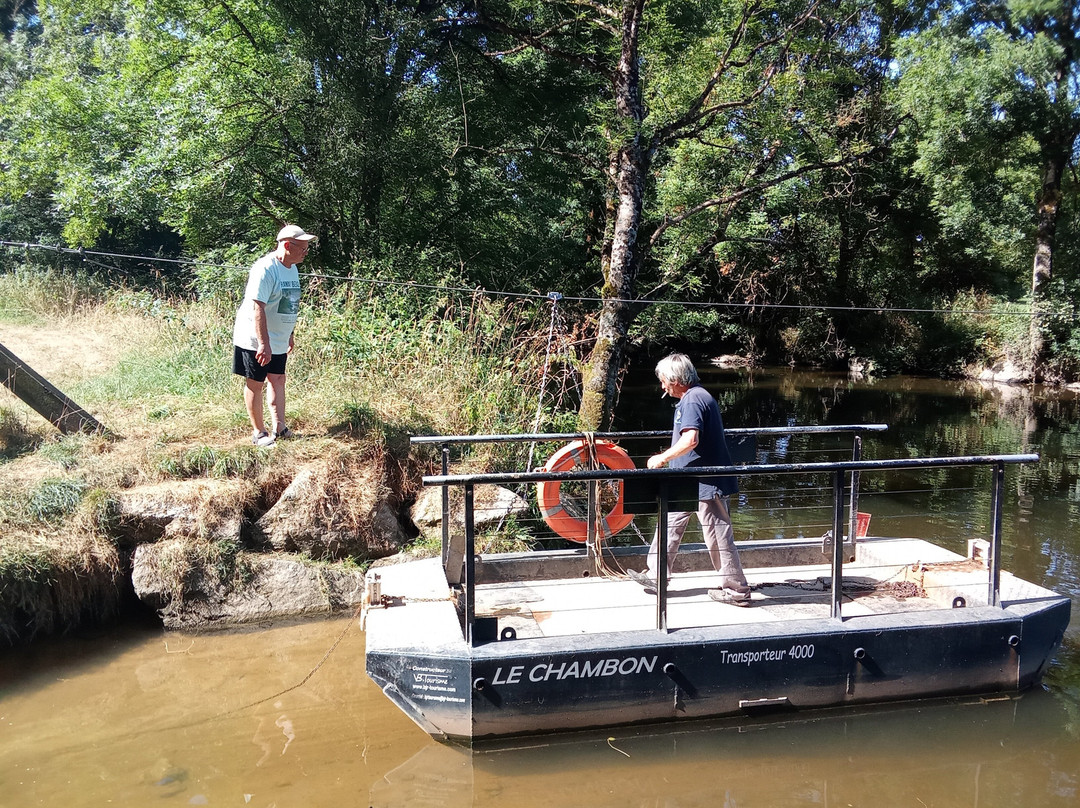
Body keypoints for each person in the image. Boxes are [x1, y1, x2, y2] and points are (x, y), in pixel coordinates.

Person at [628, 353, 752, 606]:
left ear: (676, 379)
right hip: (685, 480)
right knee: (669, 526)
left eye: (664, 380)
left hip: (706, 482)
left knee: (718, 536)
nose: (662, 386)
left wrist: (662, 458)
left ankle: (736, 591)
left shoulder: (694, 400)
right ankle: (656, 575)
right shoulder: (693, 398)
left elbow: (691, 439)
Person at [232, 224, 316, 446]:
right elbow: (257, 306)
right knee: (256, 382)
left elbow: (289, 303)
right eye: (303, 248)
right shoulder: (265, 269)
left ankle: (280, 427)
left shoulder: (292, 267)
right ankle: (259, 433)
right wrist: (263, 343)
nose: (306, 252)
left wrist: (290, 333)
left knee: (278, 379)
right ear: (287, 245)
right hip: (255, 338)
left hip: (278, 337)